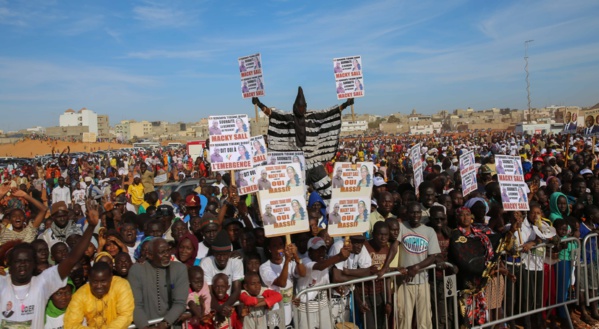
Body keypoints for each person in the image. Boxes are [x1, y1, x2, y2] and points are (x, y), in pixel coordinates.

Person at [0, 200, 98, 328]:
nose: (22, 264)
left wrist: (91, 226)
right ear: (9, 263)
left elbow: (71, 259)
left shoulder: (42, 283)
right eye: (18, 261)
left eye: (27, 261)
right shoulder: (2, 284)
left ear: (34, 263)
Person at [251, 88, 353, 202]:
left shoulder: (313, 116)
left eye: (303, 107)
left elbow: (329, 112)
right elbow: (273, 114)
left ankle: (328, 215)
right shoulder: (289, 118)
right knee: (299, 197)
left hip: (314, 162)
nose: (301, 109)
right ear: (295, 107)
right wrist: (259, 104)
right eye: (299, 107)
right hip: (298, 166)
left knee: (328, 192)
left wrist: (346, 104)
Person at [128, 238, 189, 329]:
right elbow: (136, 305)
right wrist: (144, 327)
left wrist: (165, 323)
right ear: (150, 255)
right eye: (162, 252)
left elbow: (180, 303)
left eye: (168, 250)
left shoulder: (179, 269)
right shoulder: (137, 270)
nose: (167, 255)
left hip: (171, 324)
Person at [397, 202, 440, 329]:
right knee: (403, 318)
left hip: (422, 282)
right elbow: (394, 247)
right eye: (412, 212)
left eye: (418, 212)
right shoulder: (401, 227)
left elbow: (432, 257)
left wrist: (416, 267)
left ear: (421, 214)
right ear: (407, 214)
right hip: (404, 283)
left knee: (424, 320)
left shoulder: (429, 231)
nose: (415, 215)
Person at [295, 237, 349, 329]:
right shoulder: (304, 261)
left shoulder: (325, 261)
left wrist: (335, 288)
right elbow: (320, 267)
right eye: (317, 250)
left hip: (323, 306)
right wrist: (339, 256)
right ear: (310, 252)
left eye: (323, 250)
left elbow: (324, 283)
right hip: (306, 309)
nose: (321, 253)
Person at [64, 261, 135, 328]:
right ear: (89, 279)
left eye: (103, 281)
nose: (99, 286)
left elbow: (126, 315)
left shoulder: (120, 285)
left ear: (111, 278)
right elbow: (70, 325)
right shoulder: (81, 294)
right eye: (95, 282)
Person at [259, 237, 306, 327]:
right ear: (269, 249)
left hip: (289, 313)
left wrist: (296, 256)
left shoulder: (290, 261)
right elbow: (282, 283)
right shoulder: (264, 267)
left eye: (281, 245)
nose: (278, 249)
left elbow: (303, 273)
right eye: (274, 246)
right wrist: (287, 261)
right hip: (275, 314)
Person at [200, 231, 243, 323]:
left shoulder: (236, 262)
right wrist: (219, 309)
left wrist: (223, 309)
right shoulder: (206, 263)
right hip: (213, 307)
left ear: (230, 254)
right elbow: (208, 292)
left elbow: (237, 290)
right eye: (219, 255)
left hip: (229, 306)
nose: (222, 258)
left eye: (225, 255)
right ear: (214, 254)